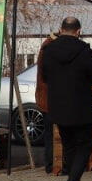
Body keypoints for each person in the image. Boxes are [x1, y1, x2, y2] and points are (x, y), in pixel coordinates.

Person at [39, 17, 92, 181]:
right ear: (78, 31)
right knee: (85, 147)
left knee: (68, 146)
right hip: (81, 107)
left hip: (58, 107)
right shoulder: (84, 51)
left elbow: (44, 76)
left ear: (61, 30)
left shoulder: (49, 50)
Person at [34, 31, 59, 173]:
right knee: (51, 134)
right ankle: (51, 164)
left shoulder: (46, 47)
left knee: (50, 134)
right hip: (49, 98)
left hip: (46, 98)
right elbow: (46, 75)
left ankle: (51, 164)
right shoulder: (49, 49)